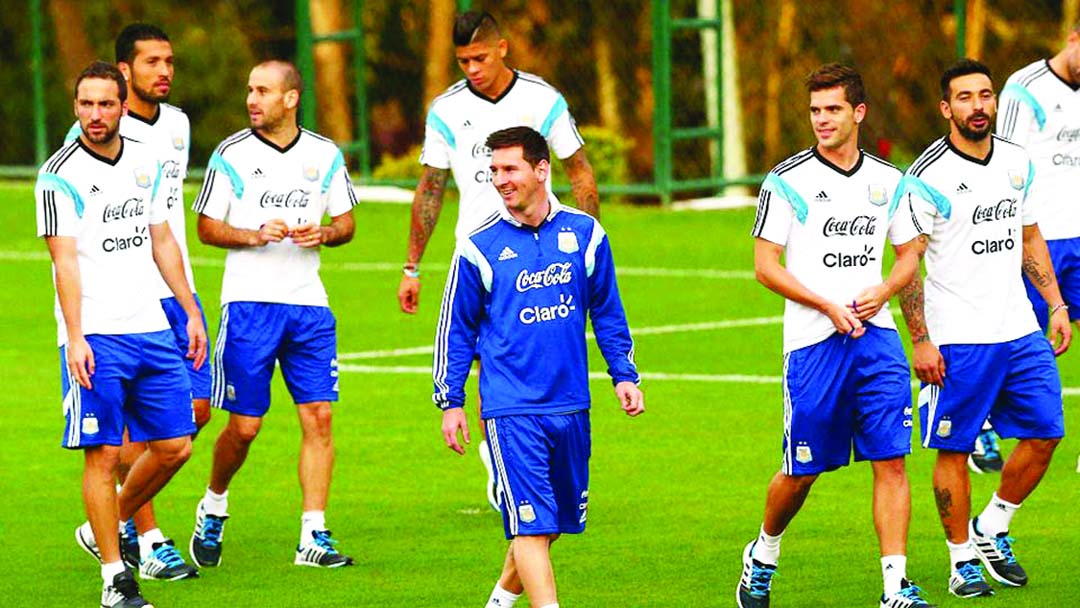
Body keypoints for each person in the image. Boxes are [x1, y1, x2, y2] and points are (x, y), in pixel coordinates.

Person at [739, 64, 933, 608]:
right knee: (802, 473)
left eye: (833, 109)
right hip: (812, 346)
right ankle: (763, 553)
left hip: (877, 340)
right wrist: (825, 304)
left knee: (891, 461)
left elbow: (909, 255)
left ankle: (895, 587)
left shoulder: (889, 181)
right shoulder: (787, 181)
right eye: (815, 111)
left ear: (859, 113)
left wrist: (884, 290)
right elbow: (765, 266)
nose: (822, 120)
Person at [433, 126, 643, 608]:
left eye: (510, 169)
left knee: (552, 525)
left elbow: (607, 311)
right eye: (494, 170)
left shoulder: (585, 234)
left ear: (542, 169)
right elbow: (455, 328)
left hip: (571, 403)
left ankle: (498, 603)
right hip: (510, 407)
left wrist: (624, 375)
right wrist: (451, 401)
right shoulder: (478, 245)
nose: (500, 180)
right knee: (531, 526)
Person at [398, 10, 599, 511]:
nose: (473, 69)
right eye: (463, 61)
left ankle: (527, 457)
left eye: (480, 58)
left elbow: (579, 170)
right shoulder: (446, 110)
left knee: (537, 359)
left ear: (502, 49)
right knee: (490, 361)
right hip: (479, 258)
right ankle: (500, 459)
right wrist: (412, 266)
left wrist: (588, 246)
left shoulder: (542, 99)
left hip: (541, 255)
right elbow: (431, 187)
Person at [897, 58, 1070, 599]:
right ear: (946, 108)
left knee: (1046, 433)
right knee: (954, 450)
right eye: (965, 98)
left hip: (1019, 328)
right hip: (959, 338)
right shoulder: (926, 176)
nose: (978, 106)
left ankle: (992, 526)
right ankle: (960, 561)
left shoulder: (1017, 161)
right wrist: (921, 340)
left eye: (985, 95)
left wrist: (1055, 304)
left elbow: (1030, 236)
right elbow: (908, 265)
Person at [37, 60, 207, 608]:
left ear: (121, 106)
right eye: (86, 104)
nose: (95, 114)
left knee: (176, 446)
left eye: (105, 104)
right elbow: (64, 262)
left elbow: (162, 239)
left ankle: (103, 525)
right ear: (75, 107)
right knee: (104, 454)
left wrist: (191, 311)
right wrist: (76, 337)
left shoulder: (146, 160)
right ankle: (115, 578)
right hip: (96, 334)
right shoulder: (58, 175)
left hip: (151, 326)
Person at [188, 60, 357, 569]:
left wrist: (323, 232)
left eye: (262, 91)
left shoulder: (324, 154)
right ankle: (214, 503)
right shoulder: (231, 154)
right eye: (249, 90)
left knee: (320, 416)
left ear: (291, 98)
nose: (251, 100)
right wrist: (254, 234)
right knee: (245, 427)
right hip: (249, 306)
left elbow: (346, 223)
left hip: (310, 306)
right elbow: (206, 227)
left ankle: (314, 534)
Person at [995, 20, 1080, 476]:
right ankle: (979, 426)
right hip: (1037, 239)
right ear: (1073, 38)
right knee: (1014, 341)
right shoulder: (1024, 88)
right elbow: (1001, 163)